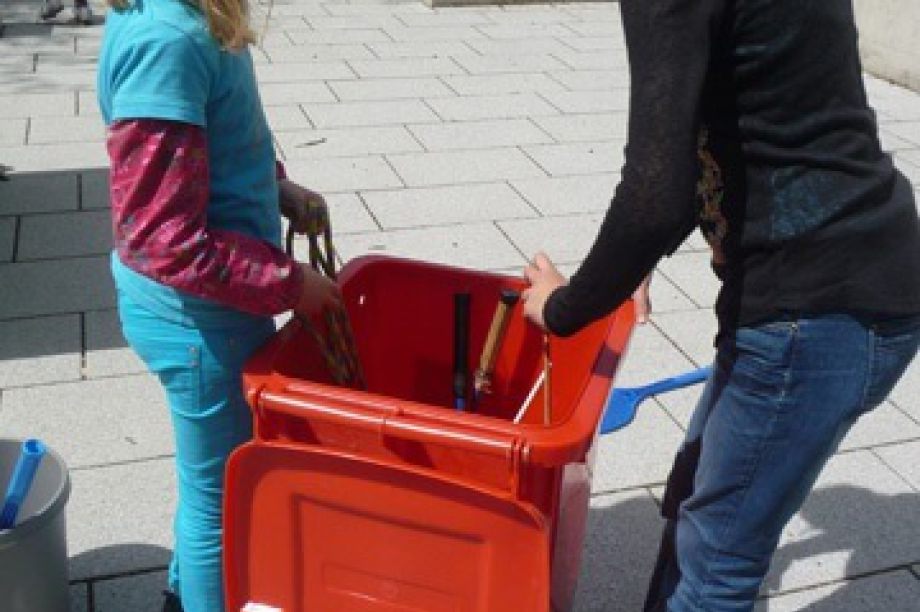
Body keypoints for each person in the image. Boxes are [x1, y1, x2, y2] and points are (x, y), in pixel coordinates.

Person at [521, 1, 920, 611]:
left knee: (717, 563)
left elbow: (655, 196)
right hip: (855, 275)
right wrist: (635, 262)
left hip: (814, 309)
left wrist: (562, 308)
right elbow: (762, 114)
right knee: (696, 498)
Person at [96, 1, 339, 610]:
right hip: (199, 321)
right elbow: (164, 239)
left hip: (209, 308)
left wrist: (276, 187)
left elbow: (217, 140)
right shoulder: (168, 42)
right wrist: (291, 283)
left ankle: (182, 594)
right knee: (223, 500)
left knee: (208, 479)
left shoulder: (186, 20)